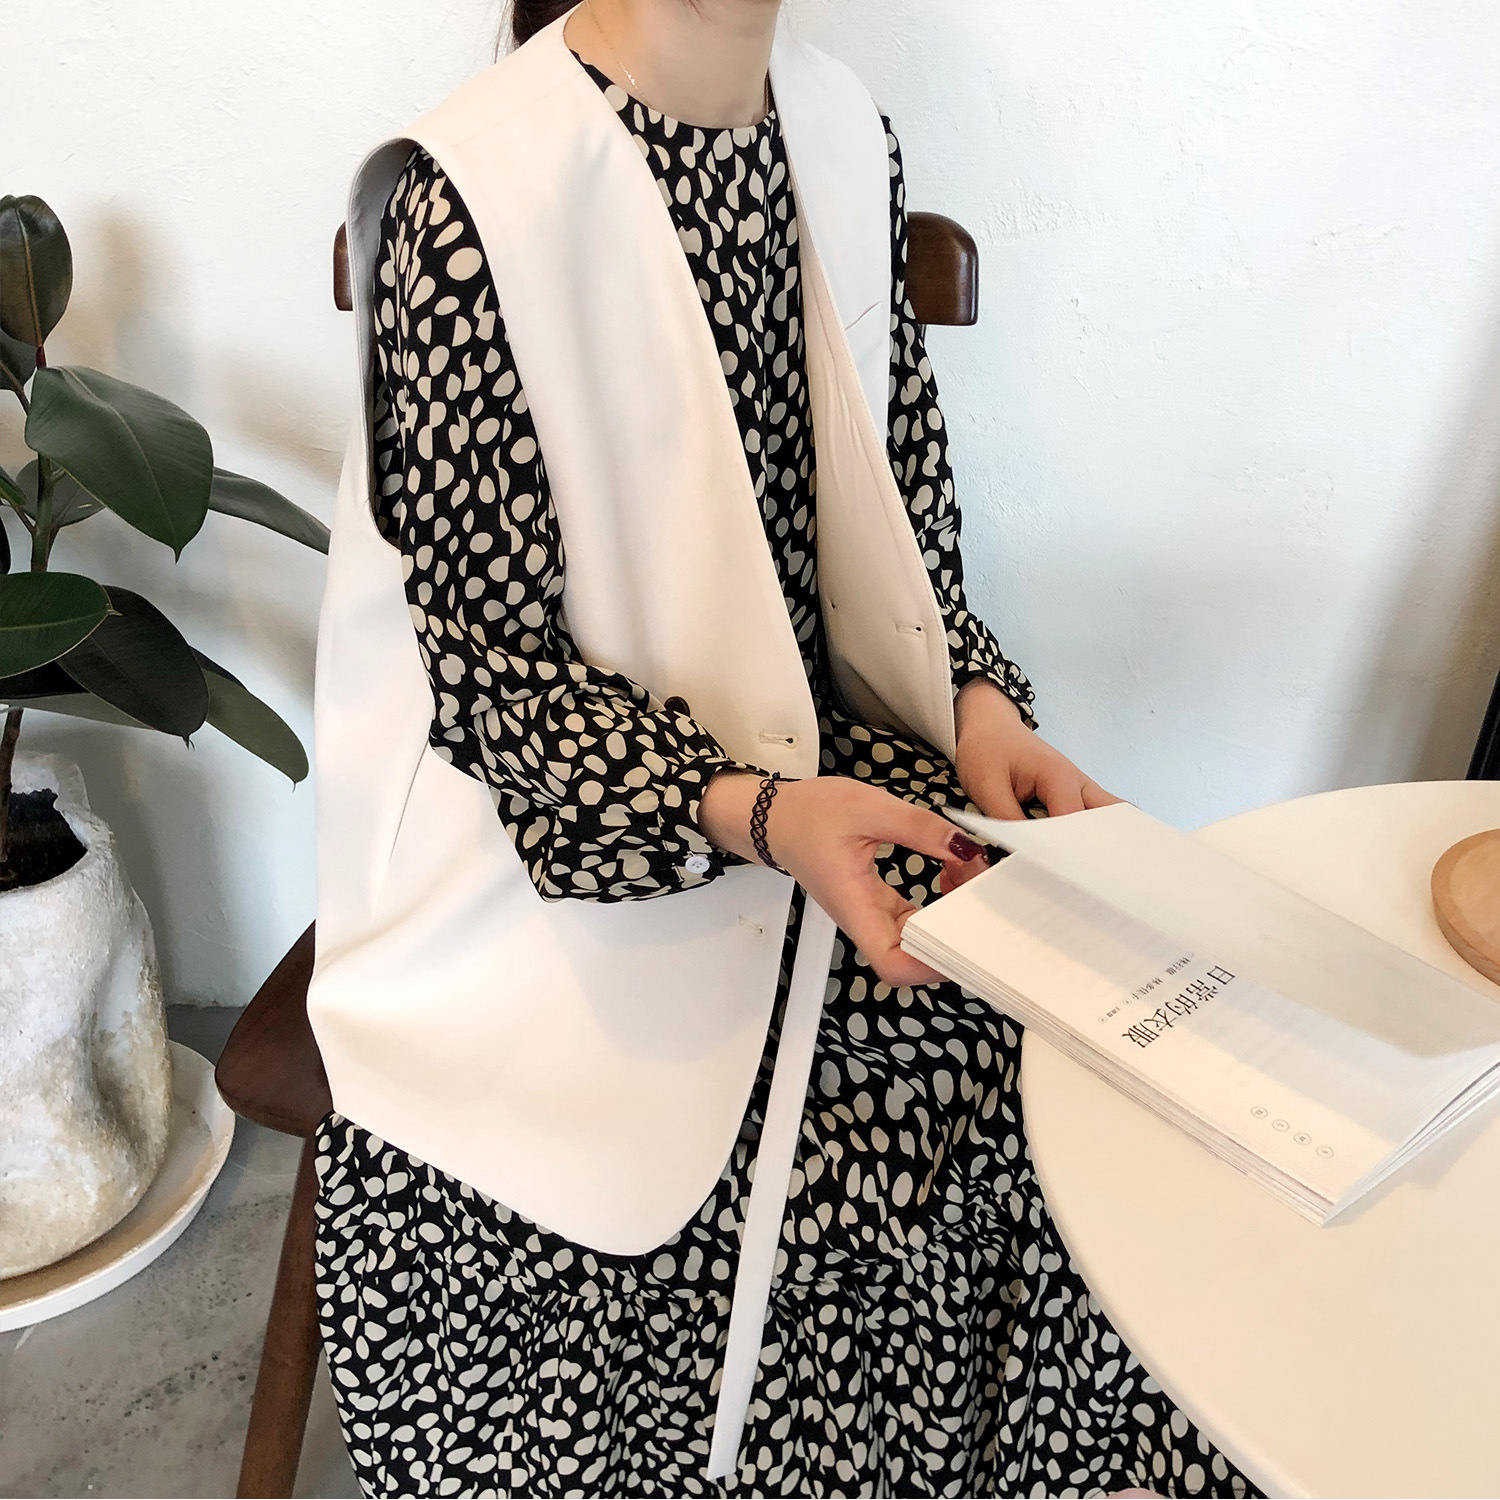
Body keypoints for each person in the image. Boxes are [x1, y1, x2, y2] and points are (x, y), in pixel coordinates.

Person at [308, 1, 1258, 1494]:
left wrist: (980, 706)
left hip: (817, 780)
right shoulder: (472, 196)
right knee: (923, 1115)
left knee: (1122, 1049)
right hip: (567, 851)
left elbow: (902, 511)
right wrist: (760, 812)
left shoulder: (840, 132)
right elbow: (496, 684)